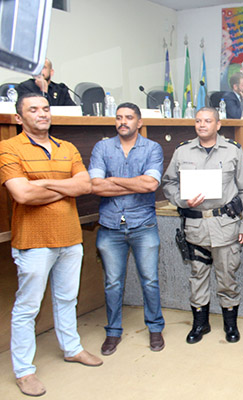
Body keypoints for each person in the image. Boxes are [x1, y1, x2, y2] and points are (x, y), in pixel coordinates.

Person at [0, 93, 101, 397]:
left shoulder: (66, 147)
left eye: (45, 109)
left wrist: (42, 183)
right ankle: (24, 371)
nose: (42, 114)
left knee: (67, 298)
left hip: (70, 237)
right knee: (27, 308)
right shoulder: (9, 148)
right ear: (19, 118)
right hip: (34, 242)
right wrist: (65, 188)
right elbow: (22, 195)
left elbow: (85, 185)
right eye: (33, 110)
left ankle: (72, 348)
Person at [162, 106, 243, 344]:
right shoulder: (182, 152)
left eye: (207, 121)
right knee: (197, 277)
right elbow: (168, 183)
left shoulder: (233, 151)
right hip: (194, 227)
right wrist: (182, 200)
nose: (201, 125)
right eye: (198, 121)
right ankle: (200, 324)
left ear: (218, 124)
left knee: (227, 278)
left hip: (225, 226)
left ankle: (230, 325)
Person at [89, 102, 166, 356]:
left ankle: (155, 328)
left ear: (139, 122)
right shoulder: (102, 148)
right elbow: (96, 186)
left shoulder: (152, 148)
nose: (123, 122)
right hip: (110, 226)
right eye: (119, 117)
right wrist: (133, 183)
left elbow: (150, 185)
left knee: (150, 281)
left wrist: (112, 180)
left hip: (143, 224)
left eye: (129, 117)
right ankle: (113, 331)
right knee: (112, 283)